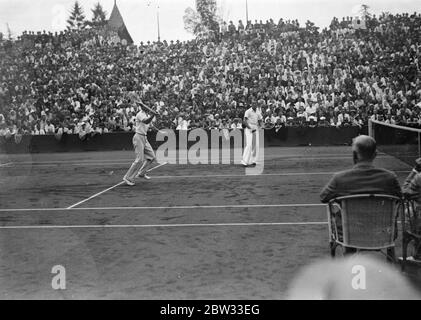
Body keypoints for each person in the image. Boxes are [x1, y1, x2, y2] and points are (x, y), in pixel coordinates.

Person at [320, 135, 402, 253]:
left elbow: (323, 197)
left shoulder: (339, 178)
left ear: (354, 155)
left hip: (350, 234)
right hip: (382, 233)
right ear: (375, 155)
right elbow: (400, 198)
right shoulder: (390, 177)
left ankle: (349, 256)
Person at [123, 102, 159, 186]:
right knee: (139, 159)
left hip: (144, 138)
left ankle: (141, 173)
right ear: (143, 107)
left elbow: (149, 125)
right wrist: (153, 115)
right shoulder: (140, 114)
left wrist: (157, 130)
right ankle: (128, 177)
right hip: (138, 137)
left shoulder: (147, 114)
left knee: (152, 157)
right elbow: (146, 121)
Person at [402, 158, 421, 260]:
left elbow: (405, 191)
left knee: (410, 211)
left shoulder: (419, 177)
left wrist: (416, 170)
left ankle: (418, 253)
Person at [241, 103, 262, 167]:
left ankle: (253, 161)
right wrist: (250, 128)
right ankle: (244, 161)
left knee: (256, 145)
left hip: (255, 127)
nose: (254, 105)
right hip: (249, 127)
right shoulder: (248, 111)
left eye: (255, 103)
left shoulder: (258, 111)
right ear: (251, 105)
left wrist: (261, 125)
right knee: (249, 145)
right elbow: (244, 121)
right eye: (253, 104)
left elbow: (260, 120)